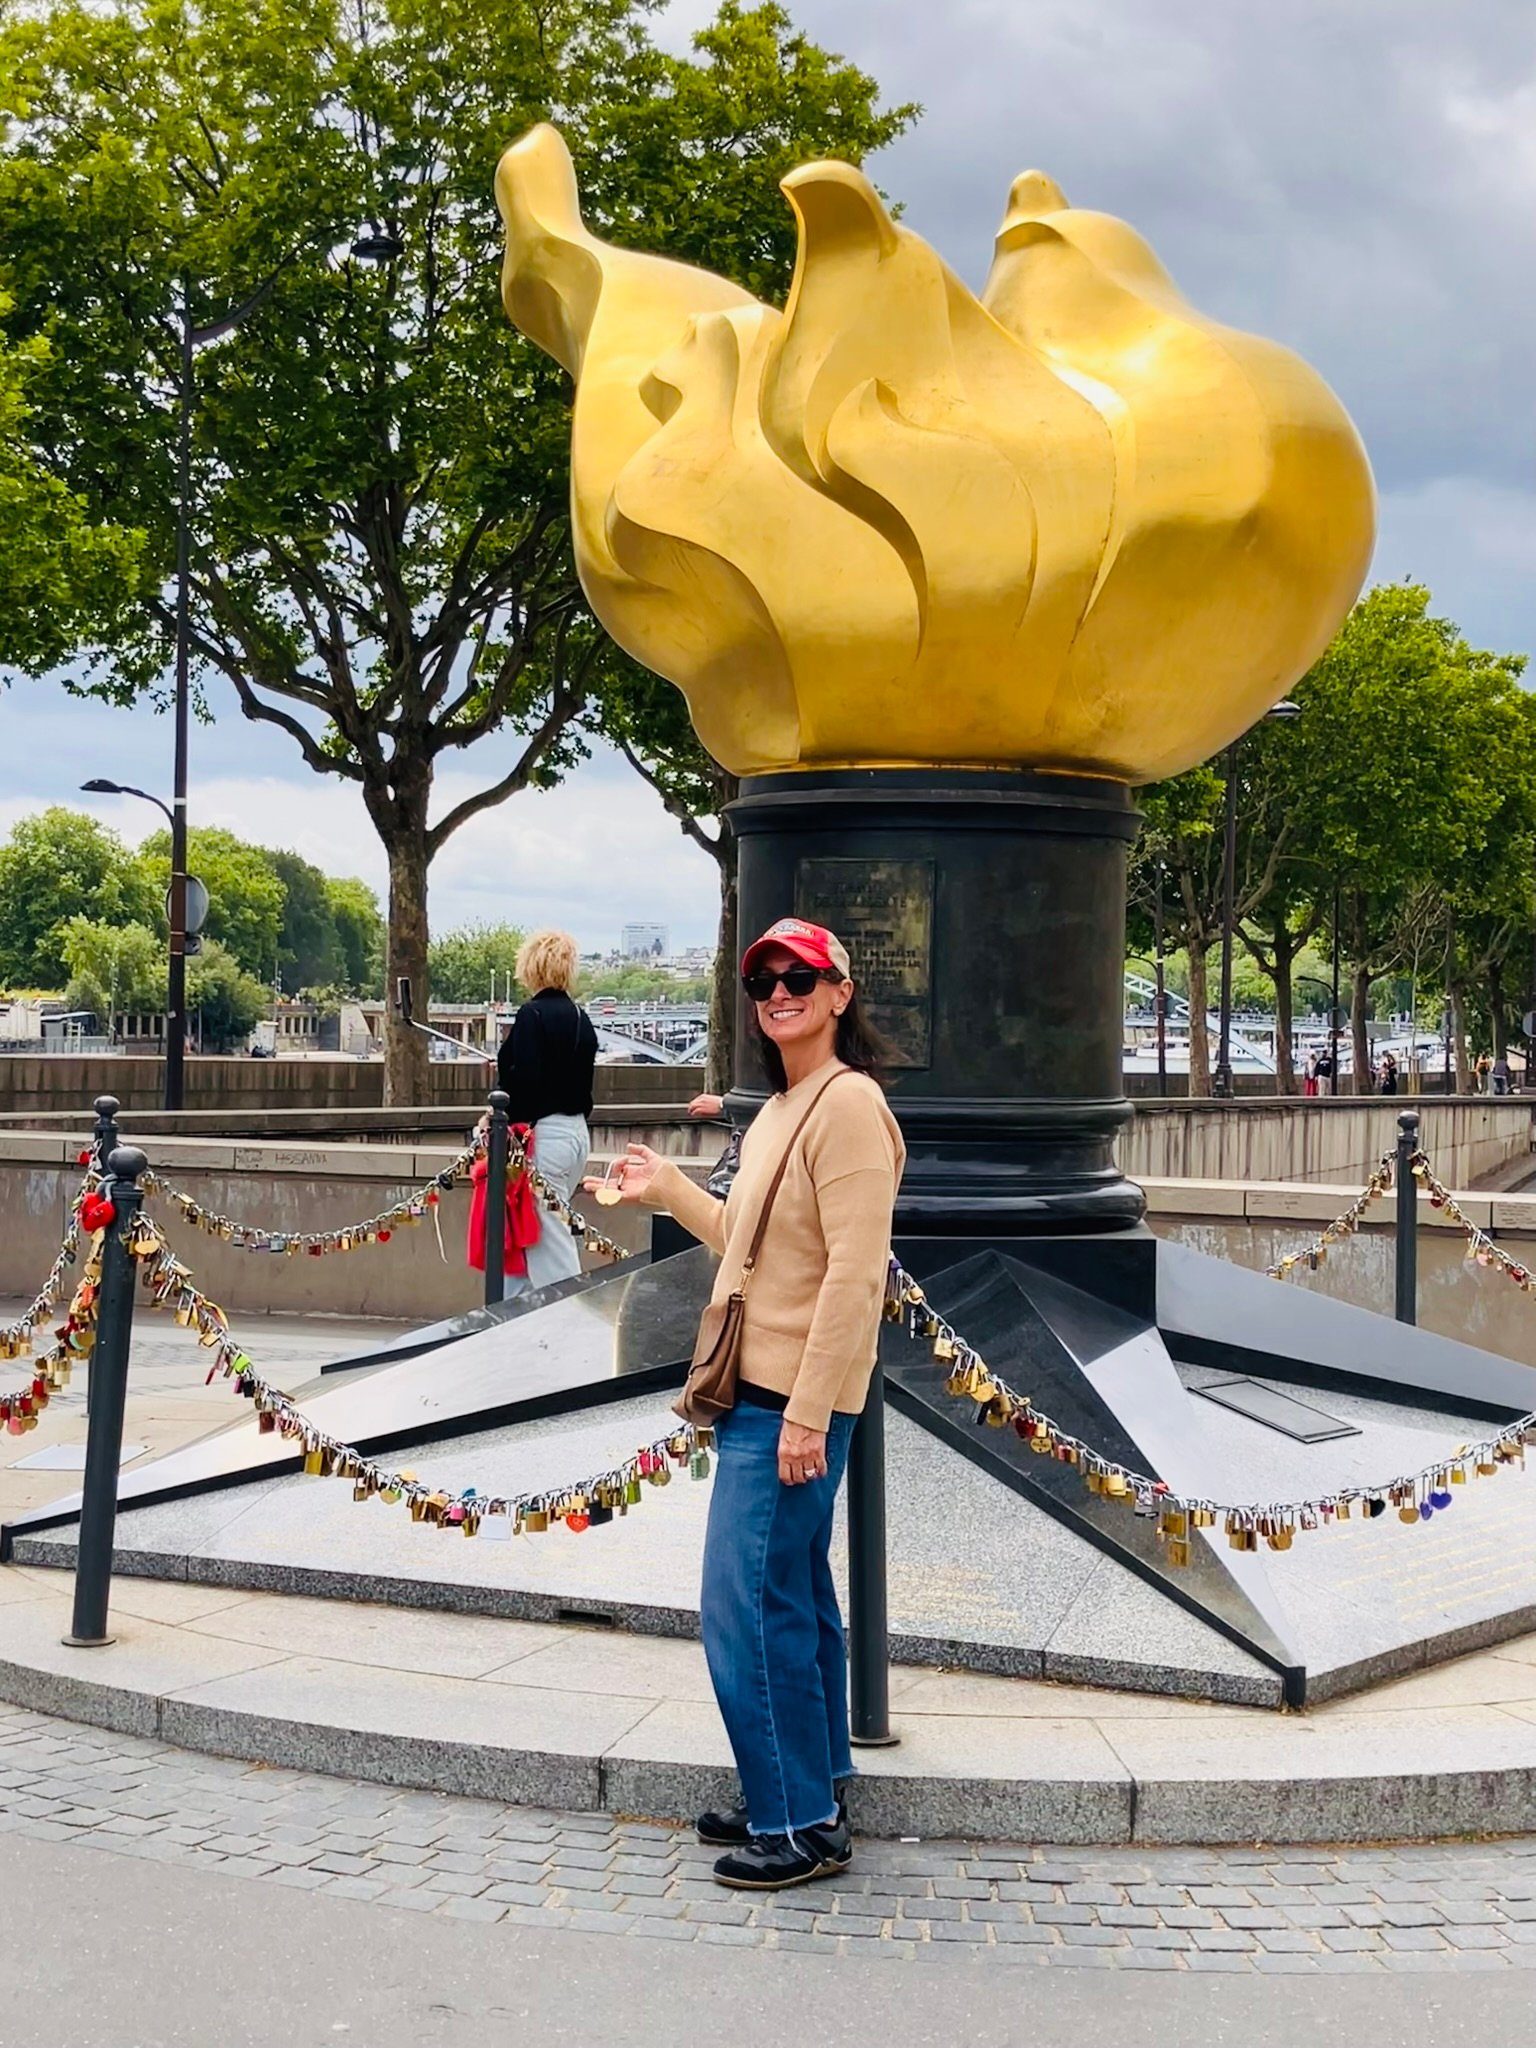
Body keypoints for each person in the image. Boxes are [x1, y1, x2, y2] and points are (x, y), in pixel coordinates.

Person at [588, 916, 904, 1893]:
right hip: (764, 1389)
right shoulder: (782, 1107)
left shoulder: (848, 1105)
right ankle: (810, 1786)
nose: (779, 992)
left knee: (744, 1610)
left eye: (800, 976)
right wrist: (670, 1187)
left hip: (786, 1399)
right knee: (794, 1598)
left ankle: (797, 1824)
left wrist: (809, 1411)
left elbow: (855, 1276)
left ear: (841, 992)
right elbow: (749, 1239)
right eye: (764, 980)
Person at [491, 930, 598, 1297]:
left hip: (544, 1137)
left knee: (549, 1240)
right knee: (533, 1233)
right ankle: (513, 1311)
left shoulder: (531, 1015)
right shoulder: (582, 1018)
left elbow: (527, 1081)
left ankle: (571, 1314)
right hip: (576, 1134)